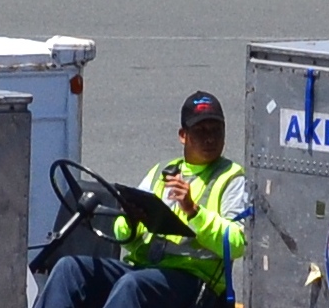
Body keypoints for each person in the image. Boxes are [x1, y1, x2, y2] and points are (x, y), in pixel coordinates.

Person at [36, 91, 249, 308]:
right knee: (69, 269)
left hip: (194, 279)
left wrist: (194, 211)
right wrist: (132, 220)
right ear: (183, 135)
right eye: (201, 131)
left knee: (132, 285)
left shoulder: (231, 177)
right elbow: (121, 232)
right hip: (148, 270)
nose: (210, 138)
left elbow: (237, 244)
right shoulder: (161, 172)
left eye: (216, 130)